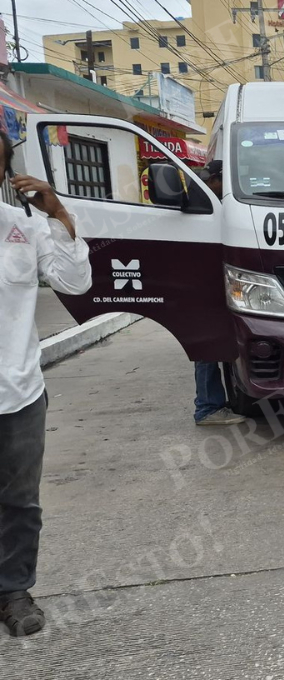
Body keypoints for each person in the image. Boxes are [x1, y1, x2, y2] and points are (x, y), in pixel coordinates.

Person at [0, 130, 92, 637]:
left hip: (17, 391)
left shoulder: (24, 227)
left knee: (19, 501)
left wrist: (60, 214)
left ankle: (14, 591)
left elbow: (76, 283)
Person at [192, 160, 245, 427]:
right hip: (204, 289)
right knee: (208, 347)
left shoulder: (218, 207)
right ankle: (207, 408)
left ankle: (217, 403)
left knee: (218, 346)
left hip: (217, 286)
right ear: (213, 180)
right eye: (222, 179)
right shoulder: (203, 208)